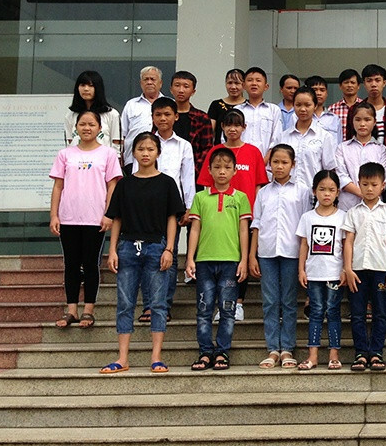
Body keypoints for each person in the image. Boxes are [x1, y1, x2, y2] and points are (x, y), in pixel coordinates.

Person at [100, 132, 184, 373]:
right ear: (133, 152)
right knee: (125, 302)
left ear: (158, 152)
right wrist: (112, 250)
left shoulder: (167, 182)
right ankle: (123, 358)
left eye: (150, 149)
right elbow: (116, 217)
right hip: (127, 246)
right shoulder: (124, 184)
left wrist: (169, 248)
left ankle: (156, 357)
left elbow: (172, 218)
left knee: (158, 304)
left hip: (156, 247)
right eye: (141, 149)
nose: (145, 153)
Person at [49, 110, 122, 329]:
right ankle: (71, 309)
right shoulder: (65, 154)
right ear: (76, 128)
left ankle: (88, 310)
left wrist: (108, 214)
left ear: (100, 129)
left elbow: (112, 186)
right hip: (69, 217)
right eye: (82, 124)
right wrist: (54, 214)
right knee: (70, 264)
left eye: (92, 124)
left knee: (91, 264)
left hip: (95, 219)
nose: (87, 128)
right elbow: (58, 186)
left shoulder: (108, 154)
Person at [196, 109, 268, 322]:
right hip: (219, 214)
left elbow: (258, 185)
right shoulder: (215, 151)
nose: (232, 129)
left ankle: (238, 302)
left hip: (245, 212)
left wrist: (256, 212)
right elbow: (205, 184)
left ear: (244, 128)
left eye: (237, 125)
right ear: (222, 128)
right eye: (228, 125)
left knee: (241, 255)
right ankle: (220, 303)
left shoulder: (253, 152)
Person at [185, 148, 252, 371]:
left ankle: (222, 351)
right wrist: (190, 259)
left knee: (227, 308)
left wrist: (243, 259)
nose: (222, 171)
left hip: (231, 262)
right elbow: (194, 229)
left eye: (227, 167)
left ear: (234, 171)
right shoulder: (200, 197)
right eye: (217, 167)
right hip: (204, 261)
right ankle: (205, 351)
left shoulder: (241, 198)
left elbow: (244, 231)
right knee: (204, 309)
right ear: (210, 170)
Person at [248, 144, 312, 369]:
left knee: (288, 301)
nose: (280, 166)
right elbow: (256, 224)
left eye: (285, 162)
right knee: (270, 301)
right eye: (275, 162)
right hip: (266, 252)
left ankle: (287, 348)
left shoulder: (303, 191)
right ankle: (272, 349)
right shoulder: (263, 192)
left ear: (293, 165)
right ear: (269, 164)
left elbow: (306, 226)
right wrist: (251, 255)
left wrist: (304, 261)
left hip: (292, 252)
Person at [135, 97, 195, 323]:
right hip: (145, 208)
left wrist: (188, 207)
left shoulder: (183, 145)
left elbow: (188, 178)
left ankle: (163, 305)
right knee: (145, 256)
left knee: (168, 254)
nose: (163, 118)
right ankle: (148, 304)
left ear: (176, 116)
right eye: (158, 115)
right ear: (152, 117)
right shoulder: (144, 143)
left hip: (172, 207)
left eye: (167, 114)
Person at [342, 162, 386, 371]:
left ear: (383, 185)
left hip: (380, 270)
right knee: (357, 313)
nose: (369, 189)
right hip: (357, 270)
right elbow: (348, 240)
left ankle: (376, 352)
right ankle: (360, 353)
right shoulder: (353, 212)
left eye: (374, 184)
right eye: (365, 184)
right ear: (359, 183)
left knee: (380, 312)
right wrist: (347, 269)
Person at [296, 169, 347, 371]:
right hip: (314, 273)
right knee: (316, 312)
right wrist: (301, 270)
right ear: (314, 191)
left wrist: (345, 269)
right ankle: (313, 355)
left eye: (331, 190)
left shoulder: (343, 217)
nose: (326, 194)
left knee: (333, 312)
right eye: (322, 189)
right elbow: (304, 245)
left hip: (335, 273)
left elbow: (346, 246)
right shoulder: (307, 218)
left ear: (337, 193)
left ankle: (334, 354)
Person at [278, 86, 338, 189]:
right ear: (293, 106)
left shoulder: (324, 137)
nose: (302, 109)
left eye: (307, 105)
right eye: (298, 105)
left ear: (315, 106)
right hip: (287, 195)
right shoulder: (283, 137)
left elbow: (329, 170)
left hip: (313, 194)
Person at [335, 101, 386, 211]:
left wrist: (369, 193)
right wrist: (363, 193)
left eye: (367, 120)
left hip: (374, 207)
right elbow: (341, 176)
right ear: (352, 122)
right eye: (358, 119)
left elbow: (383, 177)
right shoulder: (342, 148)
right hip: (347, 205)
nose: (362, 124)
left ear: (374, 122)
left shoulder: (381, 149)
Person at [168, 70, 214, 182]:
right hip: (166, 172)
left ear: (193, 91)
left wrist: (191, 170)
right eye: (177, 85)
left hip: (193, 175)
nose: (181, 90)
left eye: (186, 86)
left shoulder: (202, 118)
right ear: (171, 89)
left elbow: (206, 149)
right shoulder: (164, 115)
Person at [63, 70, 122, 153]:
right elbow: (69, 142)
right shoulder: (71, 115)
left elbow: (117, 145)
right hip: (77, 162)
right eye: (82, 85)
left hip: (103, 162)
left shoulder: (111, 114)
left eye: (91, 85)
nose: (86, 89)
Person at [345, 64, 386, 145]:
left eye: (377, 80)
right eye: (369, 80)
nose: (373, 84)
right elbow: (349, 139)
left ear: (384, 83)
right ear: (364, 83)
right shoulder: (354, 110)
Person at [121, 66, 165, 165]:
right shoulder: (131, 105)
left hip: (162, 160)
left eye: (153, 79)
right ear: (141, 83)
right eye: (146, 79)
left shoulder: (169, 104)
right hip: (133, 160)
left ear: (160, 83)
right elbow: (122, 135)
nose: (149, 82)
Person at [238, 67, 283, 157]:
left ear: (266, 86)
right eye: (250, 80)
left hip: (266, 165)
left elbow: (277, 138)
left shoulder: (274, 110)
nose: (254, 83)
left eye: (258, 80)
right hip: (241, 163)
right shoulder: (237, 110)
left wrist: (265, 160)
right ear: (243, 86)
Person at [207, 68, 246, 145]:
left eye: (237, 83)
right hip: (220, 151)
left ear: (244, 85)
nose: (233, 87)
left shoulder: (248, 105)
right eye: (230, 83)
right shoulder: (216, 105)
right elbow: (209, 132)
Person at [305, 75, 343, 145]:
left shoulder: (334, 118)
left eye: (322, 90)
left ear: (326, 93)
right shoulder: (298, 116)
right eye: (315, 90)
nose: (319, 93)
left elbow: (339, 143)